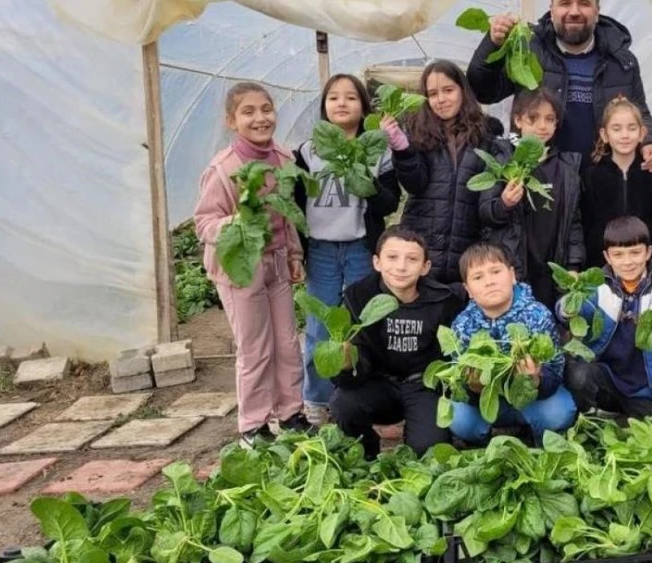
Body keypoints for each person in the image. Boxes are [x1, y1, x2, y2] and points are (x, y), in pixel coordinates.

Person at [193, 82, 309, 447]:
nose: (260, 118)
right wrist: (235, 223)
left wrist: (294, 254)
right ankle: (253, 424)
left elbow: (288, 215)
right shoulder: (225, 168)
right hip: (240, 266)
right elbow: (204, 223)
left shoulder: (284, 159)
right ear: (232, 120)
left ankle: (290, 414)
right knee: (255, 347)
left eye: (266, 109)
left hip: (276, 263)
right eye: (248, 112)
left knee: (288, 343)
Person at [294, 73, 402, 422]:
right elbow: (296, 204)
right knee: (320, 325)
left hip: (360, 246)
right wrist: (298, 250)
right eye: (334, 98)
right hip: (322, 250)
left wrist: (365, 179)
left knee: (365, 323)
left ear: (364, 106)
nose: (342, 103)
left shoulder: (376, 149)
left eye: (351, 97)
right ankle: (317, 400)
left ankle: (360, 394)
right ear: (324, 107)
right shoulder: (309, 152)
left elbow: (389, 202)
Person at [467, 0, 652, 170]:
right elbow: (484, 91)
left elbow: (639, 109)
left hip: (601, 179)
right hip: (541, 175)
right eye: (565, 3)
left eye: (584, 3)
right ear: (552, 10)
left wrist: (648, 141)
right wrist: (492, 43)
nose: (574, 11)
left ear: (597, 11)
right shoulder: (527, 51)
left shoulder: (621, 60)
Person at [329, 227, 464, 458]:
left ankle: (417, 434)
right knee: (343, 404)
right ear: (377, 262)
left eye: (412, 259)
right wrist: (347, 365)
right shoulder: (357, 297)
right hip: (377, 384)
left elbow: (453, 357)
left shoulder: (444, 301)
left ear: (425, 267)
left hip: (423, 386)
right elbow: (345, 376)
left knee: (427, 450)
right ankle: (366, 449)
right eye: (392, 257)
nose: (401, 267)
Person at [561, 216, 652, 418]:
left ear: (648, 252)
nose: (627, 262)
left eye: (635, 253)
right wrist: (566, 308)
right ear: (607, 257)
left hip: (645, 387)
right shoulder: (597, 287)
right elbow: (571, 308)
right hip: (607, 378)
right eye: (618, 255)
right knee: (578, 375)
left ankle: (625, 413)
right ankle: (591, 415)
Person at [383, 60, 511, 284]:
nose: (441, 100)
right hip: (423, 244)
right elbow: (415, 184)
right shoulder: (417, 131)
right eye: (432, 94)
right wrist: (402, 151)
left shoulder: (486, 134)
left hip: (467, 247)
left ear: (463, 90)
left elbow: (487, 195)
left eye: (448, 90)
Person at [448, 242, 577, 445]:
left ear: (513, 276)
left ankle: (533, 433)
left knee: (559, 413)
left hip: (531, 401)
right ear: (468, 289)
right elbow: (458, 382)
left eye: (495, 272)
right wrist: (473, 388)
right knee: (459, 419)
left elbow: (556, 370)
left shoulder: (538, 314)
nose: (489, 282)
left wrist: (537, 379)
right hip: (489, 402)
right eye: (478, 277)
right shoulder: (463, 324)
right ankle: (485, 441)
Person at [480, 88, 584, 309]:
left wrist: (573, 266)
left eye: (550, 119)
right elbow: (485, 213)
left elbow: (573, 223)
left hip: (550, 268)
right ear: (518, 120)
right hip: (514, 266)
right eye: (533, 118)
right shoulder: (503, 161)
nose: (542, 126)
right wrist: (504, 203)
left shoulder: (566, 168)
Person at [581, 97, 652, 269]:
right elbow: (587, 225)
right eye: (617, 129)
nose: (624, 135)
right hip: (603, 266)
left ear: (642, 133)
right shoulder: (591, 177)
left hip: (646, 265)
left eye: (631, 128)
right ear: (604, 135)